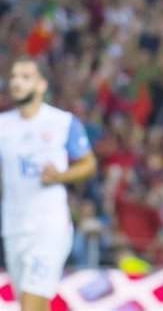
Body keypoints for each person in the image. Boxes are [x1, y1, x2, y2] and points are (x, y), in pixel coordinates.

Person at [0, 56, 97, 311]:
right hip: (13, 227)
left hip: (49, 227)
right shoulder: (3, 125)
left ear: (41, 84)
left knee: (30, 302)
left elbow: (88, 164)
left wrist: (60, 176)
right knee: (33, 303)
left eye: (25, 77)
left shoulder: (62, 122)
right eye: (14, 77)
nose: (16, 83)